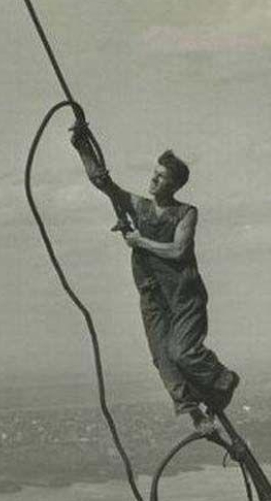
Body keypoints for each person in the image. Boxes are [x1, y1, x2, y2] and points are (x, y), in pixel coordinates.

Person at [71, 126, 239, 431]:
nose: (153, 179)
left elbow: (178, 250)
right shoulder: (140, 207)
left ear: (173, 185)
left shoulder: (186, 213)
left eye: (161, 176)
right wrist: (81, 147)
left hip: (184, 296)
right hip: (152, 295)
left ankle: (222, 380)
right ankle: (196, 415)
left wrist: (140, 242)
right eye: (154, 172)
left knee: (183, 352)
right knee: (164, 359)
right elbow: (104, 184)